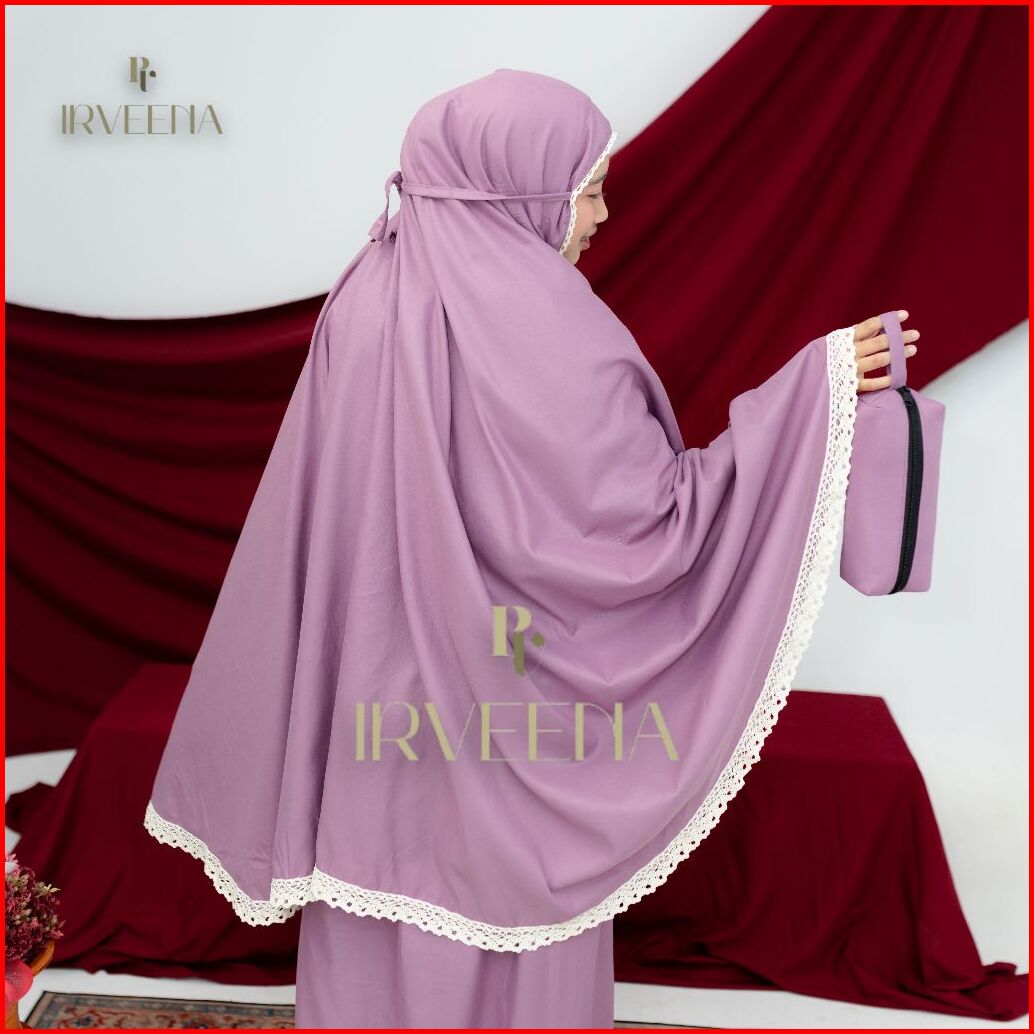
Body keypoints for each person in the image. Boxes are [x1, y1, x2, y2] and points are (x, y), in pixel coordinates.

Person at [143, 68, 919, 1028]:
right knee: (517, 922)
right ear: (517, 183)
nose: (601, 214)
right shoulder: (549, 321)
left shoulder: (362, 295)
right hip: (514, 730)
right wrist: (816, 394)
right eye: (589, 187)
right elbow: (652, 526)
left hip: (375, 726)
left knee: (379, 890)